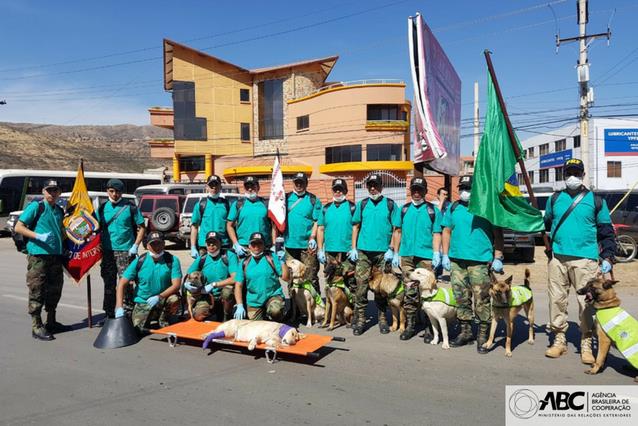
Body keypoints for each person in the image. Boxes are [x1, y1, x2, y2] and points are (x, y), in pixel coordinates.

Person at [543, 158, 615, 362]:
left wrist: (608, 256)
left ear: (583, 175)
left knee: (586, 303)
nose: (572, 177)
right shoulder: (554, 199)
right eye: (568, 173)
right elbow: (546, 223)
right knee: (556, 300)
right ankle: (559, 340)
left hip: (586, 259)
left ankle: (586, 342)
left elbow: (606, 231)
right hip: (558, 258)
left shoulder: (596, 200)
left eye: (576, 172)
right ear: (563, 175)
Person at [441, 175, 504, 354]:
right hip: (457, 261)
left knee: (481, 299)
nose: (464, 192)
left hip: (479, 261)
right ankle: (466, 332)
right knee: (461, 298)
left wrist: (498, 256)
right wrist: (444, 254)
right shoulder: (453, 207)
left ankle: (483, 335)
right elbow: (446, 230)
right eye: (462, 188)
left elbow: (498, 233)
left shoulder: (486, 207)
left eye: (468, 188)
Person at [14, 179, 68, 341]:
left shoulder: (59, 210)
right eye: (49, 190)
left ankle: (51, 321)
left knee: (55, 288)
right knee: (37, 289)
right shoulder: (37, 207)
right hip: (38, 255)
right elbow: (18, 227)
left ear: (59, 192)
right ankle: (36, 325)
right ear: (44, 191)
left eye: (55, 190)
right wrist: (38, 236)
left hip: (55, 256)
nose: (52, 193)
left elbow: (62, 230)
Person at [350, 174, 401, 336]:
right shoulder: (362, 204)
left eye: (376, 185)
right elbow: (356, 227)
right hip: (364, 252)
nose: (373, 188)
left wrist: (393, 249)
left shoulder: (391, 205)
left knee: (381, 290)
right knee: (361, 286)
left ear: (381, 187)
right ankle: (360, 319)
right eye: (370, 185)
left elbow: (397, 229)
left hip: (382, 253)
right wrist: (354, 248)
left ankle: (382, 318)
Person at [396, 177, 443, 341]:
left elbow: (437, 233)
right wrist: (395, 252)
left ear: (425, 191)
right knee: (409, 292)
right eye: (414, 189)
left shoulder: (433, 211)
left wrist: (437, 253)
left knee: (428, 292)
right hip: (407, 255)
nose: (417, 193)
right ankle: (410, 325)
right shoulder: (403, 209)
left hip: (426, 257)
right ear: (410, 190)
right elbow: (398, 232)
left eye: (420, 190)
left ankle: (430, 327)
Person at [97, 178, 145, 324]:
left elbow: (142, 227)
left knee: (127, 283)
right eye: (111, 191)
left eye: (117, 191)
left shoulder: (130, 208)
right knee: (109, 283)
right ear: (107, 191)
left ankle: (128, 313)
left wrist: (136, 245)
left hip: (125, 251)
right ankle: (109, 313)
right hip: (107, 251)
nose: (114, 194)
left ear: (122, 192)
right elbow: (95, 227)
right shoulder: (102, 208)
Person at [115, 231, 182, 334]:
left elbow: (176, 285)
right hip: (144, 301)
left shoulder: (173, 260)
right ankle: (152, 317)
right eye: (153, 244)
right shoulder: (140, 261)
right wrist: (119, 307)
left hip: (163, 299)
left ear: (164, 244)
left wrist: (159, 297)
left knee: (174, 299)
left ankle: (164, 319)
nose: (156, 246)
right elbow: (122, 283)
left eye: (159, 243)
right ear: (147, 246)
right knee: (138, 329)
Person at [233, 232, 289, 322]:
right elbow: (238, 286)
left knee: (276, 310)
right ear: (249, 246)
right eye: (253, 244)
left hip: (272, 296)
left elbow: (286, 278)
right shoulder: (244, 262)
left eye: (259, 243)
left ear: (264, 245)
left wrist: (282, 261)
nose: (256, 247)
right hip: (254, 301)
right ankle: (263, 314)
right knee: (255, 328)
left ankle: (278, 318)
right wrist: (239, 305)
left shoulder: (271, 257)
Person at [185, 231, 238, 321]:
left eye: (214, 242)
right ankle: (212, 311)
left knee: (227, 292)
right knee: (198, 316)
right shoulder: (202, 258)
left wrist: (214, 284)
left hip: (224, 295)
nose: (211, 245)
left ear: (220, 243)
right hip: (207, 295)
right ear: (205, 244)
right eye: (209, 243)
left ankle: (226, 317)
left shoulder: (229, 256)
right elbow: (188, 275)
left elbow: (235, 278)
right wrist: (187, 285)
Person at [283, 172, 322, 292]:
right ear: (293, 183)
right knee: (292, 278)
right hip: (290, 245)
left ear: (306, 183)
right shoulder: (285, 198)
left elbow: (317, 220)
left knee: (311, 277)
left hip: (307, 246)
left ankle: (315, 306)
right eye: (297, 182)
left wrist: (312, 237)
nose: (299, 185)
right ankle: (295, 309)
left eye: (302, 182)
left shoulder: (313, 200)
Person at [317, 178, 356, 292]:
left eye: (341, 190)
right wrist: (320, 249)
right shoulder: (326, 208)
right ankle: (334, 309)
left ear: (346, 191)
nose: (338, 192)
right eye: (336, 190)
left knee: (350, 284)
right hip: (331, 253)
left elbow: (357, 228)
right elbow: (320, 229)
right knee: (331, 284)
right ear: (332, 191)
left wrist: (355, 248)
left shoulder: (352, 208)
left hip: (347, 253)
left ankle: (350, 309)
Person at [227, 176, 275, 257]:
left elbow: (274, 226)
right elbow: (229, 225)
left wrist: (274, 244)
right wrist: (236, 244)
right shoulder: (238, 204)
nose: (250, 189)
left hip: (264, 247)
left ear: (258, 187)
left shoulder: (266, 204)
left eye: (253, 186)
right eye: (247, 187)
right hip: (244, 248)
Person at [190, 175, 231, 258]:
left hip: (223, 244)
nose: (214, 188)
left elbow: (232, 225)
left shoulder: (227, 204)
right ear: (207, 187)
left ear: (220, 187)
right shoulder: (201, 205)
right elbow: (194, 227)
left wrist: (235, 244)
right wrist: (193, 246)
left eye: (216, 185)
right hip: (205, 246)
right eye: (211, 185)